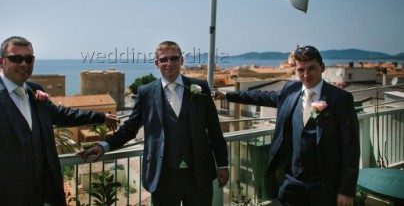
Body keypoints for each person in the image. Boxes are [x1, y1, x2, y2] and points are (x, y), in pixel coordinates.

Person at [0, 36, 120, 206]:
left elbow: (62, 115)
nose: (24, 64)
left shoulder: (35, 91)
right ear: (1, 62)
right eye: (16, 58)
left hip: (43, 197)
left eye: (29, 59)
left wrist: (101, 117)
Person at [78, 41, 229, 206]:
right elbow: (130, 128)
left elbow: (215, 130)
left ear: (182, 61)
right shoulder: (146, 92)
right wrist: (104, 145)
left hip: (199, 175)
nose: (169, 63)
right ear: (157, 63)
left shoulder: (200, 88)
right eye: (164, 60)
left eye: (173, 58)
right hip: (163, 176)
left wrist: (222, 164)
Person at [215, 45, 360, 206]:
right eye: (301, 70)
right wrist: (227, 95)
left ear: (322, 67)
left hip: (324, 184)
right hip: (292, 181)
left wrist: (346, 190)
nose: (306, 75)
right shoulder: (291, 90)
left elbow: (351, 149)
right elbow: (262, 97)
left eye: (311, 68)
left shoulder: (341, 99)